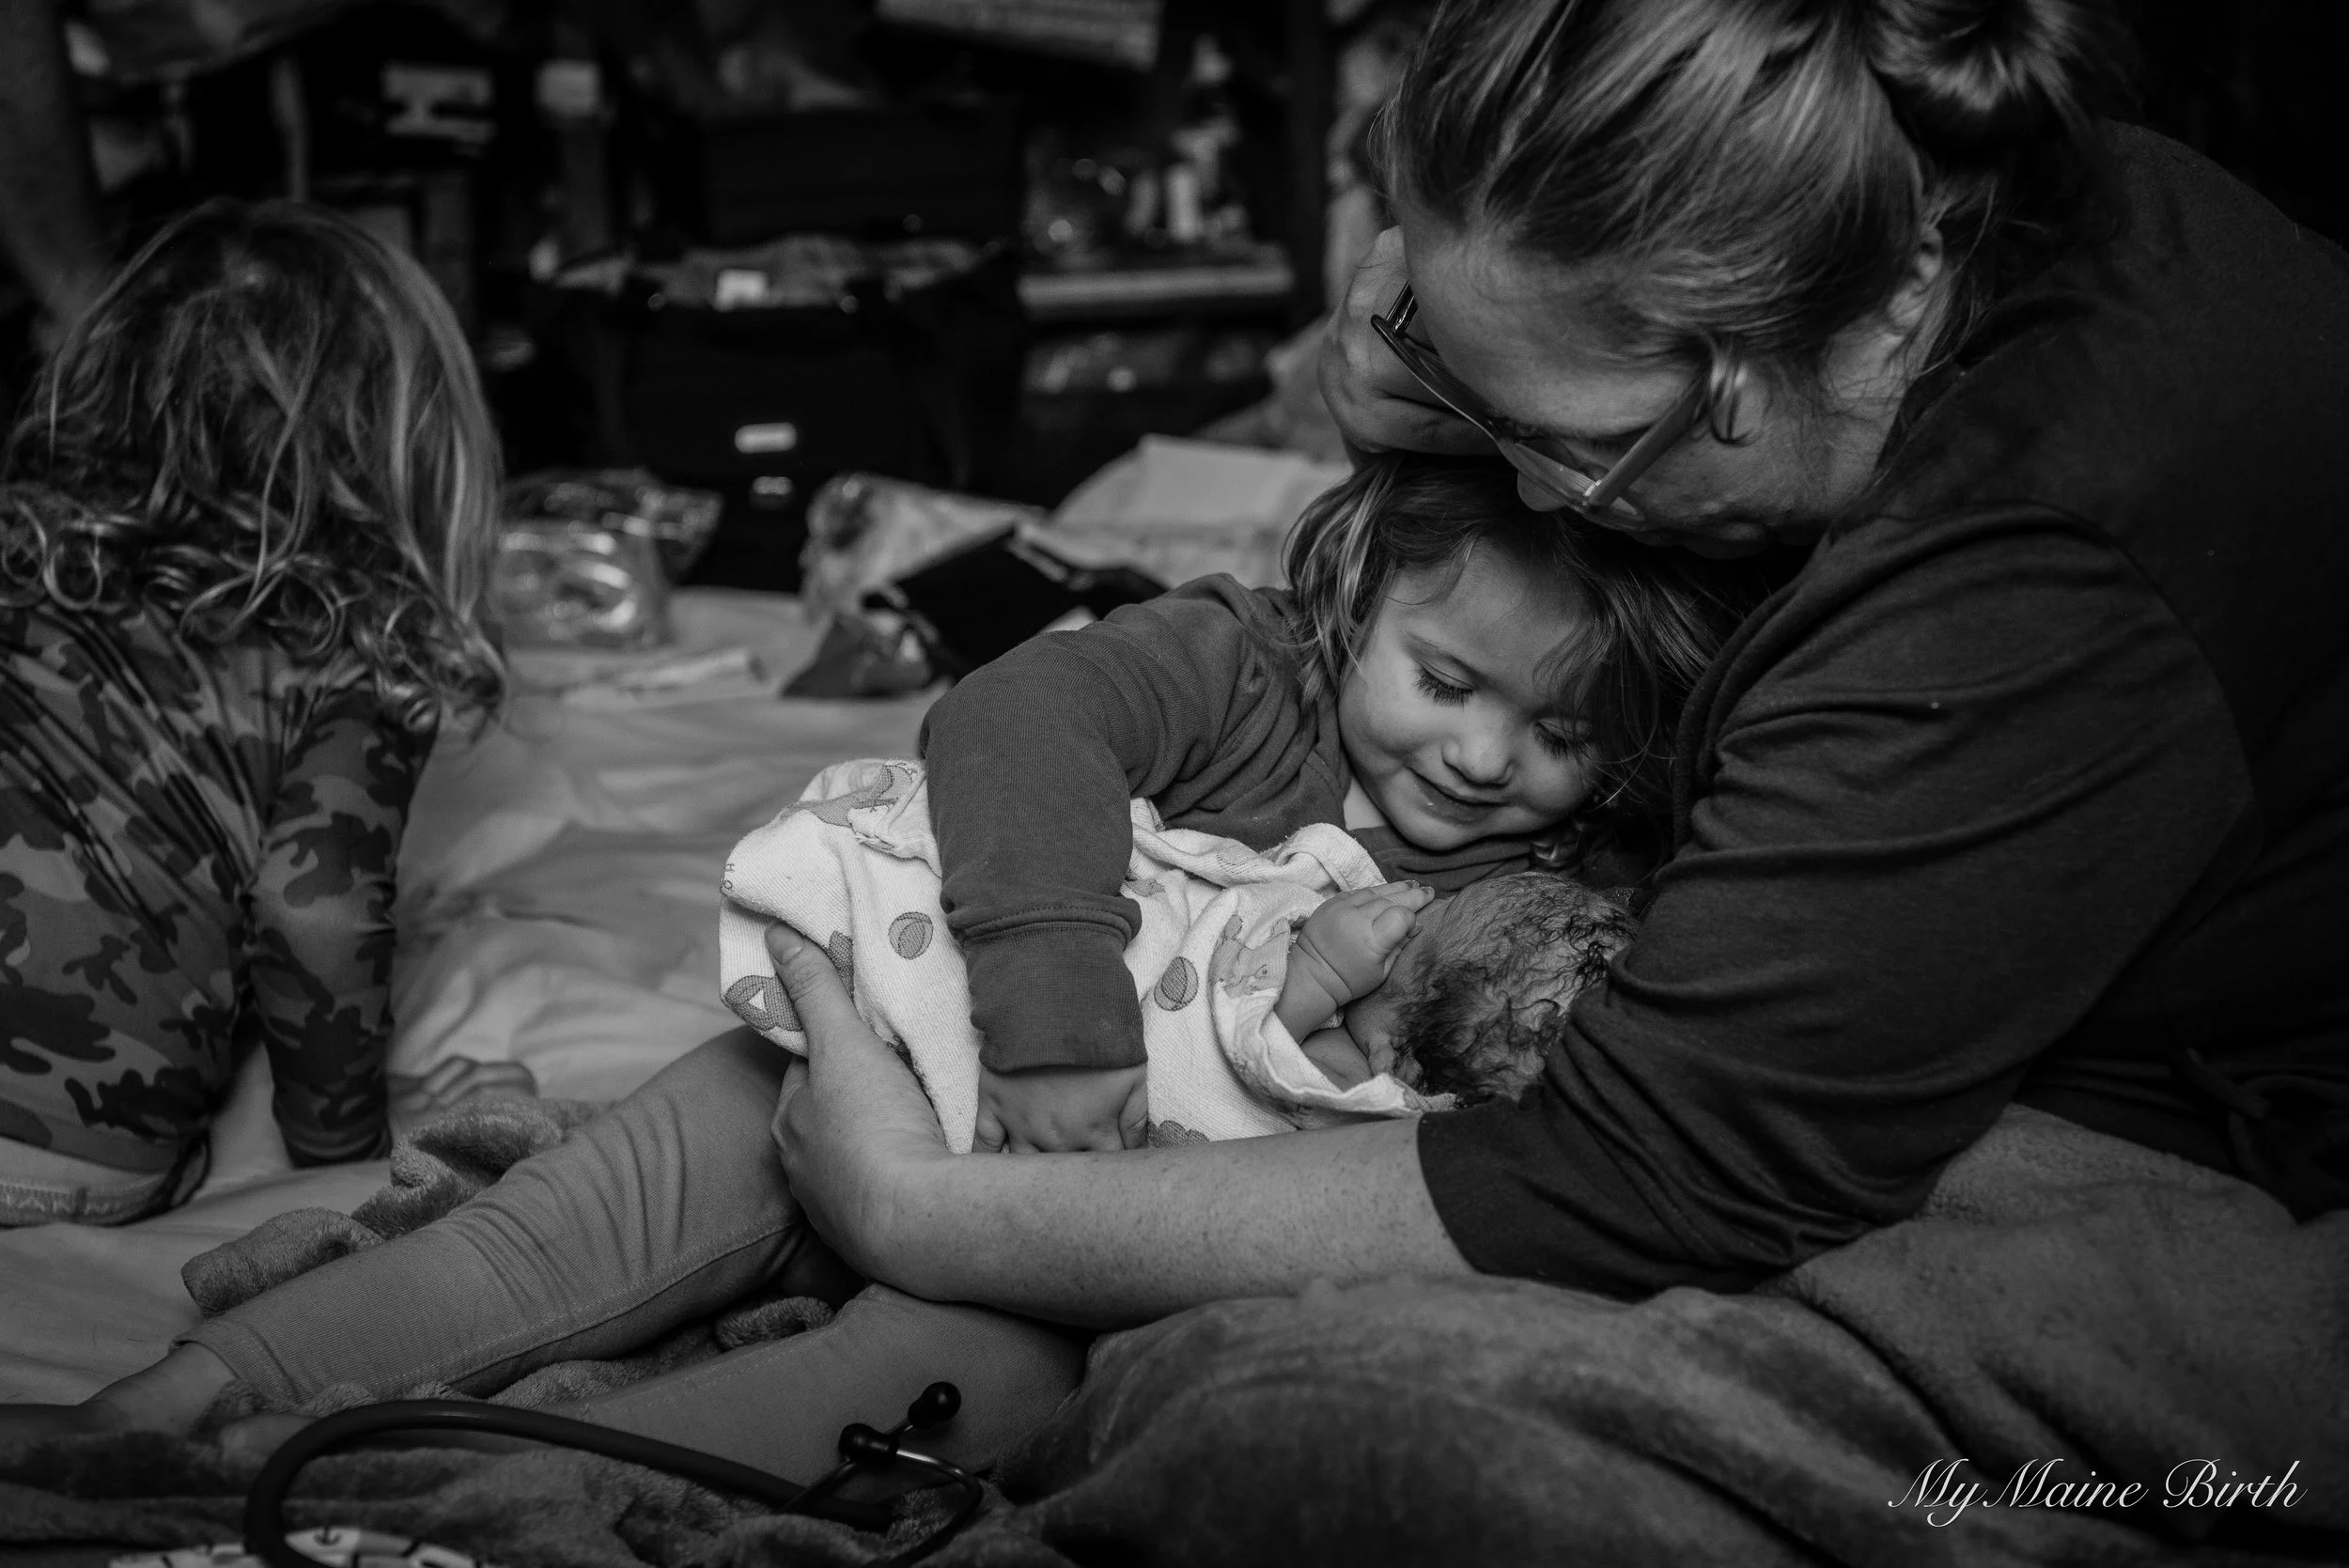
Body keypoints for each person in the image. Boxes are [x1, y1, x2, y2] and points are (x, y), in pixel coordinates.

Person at [0, 451, 1754, 1476]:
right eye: (1445, 681)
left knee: (902, 1405)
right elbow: (1013, 718)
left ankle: (420, 1491)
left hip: (1087, 1248)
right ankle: (174, 1396)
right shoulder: (1244, 671)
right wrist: (1056, 1017)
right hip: (893, 1052)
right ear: (1358, 591)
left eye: (1564, 732)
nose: (1482, 757)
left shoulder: (1564, 887)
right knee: (567, 1224)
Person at [0, 199, 526, 1226]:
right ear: (407, 442)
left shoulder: (22, 548)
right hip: (68, 1153)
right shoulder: (361, 640)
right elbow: (314, 907)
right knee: (248, 1062)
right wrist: (346, 1151)